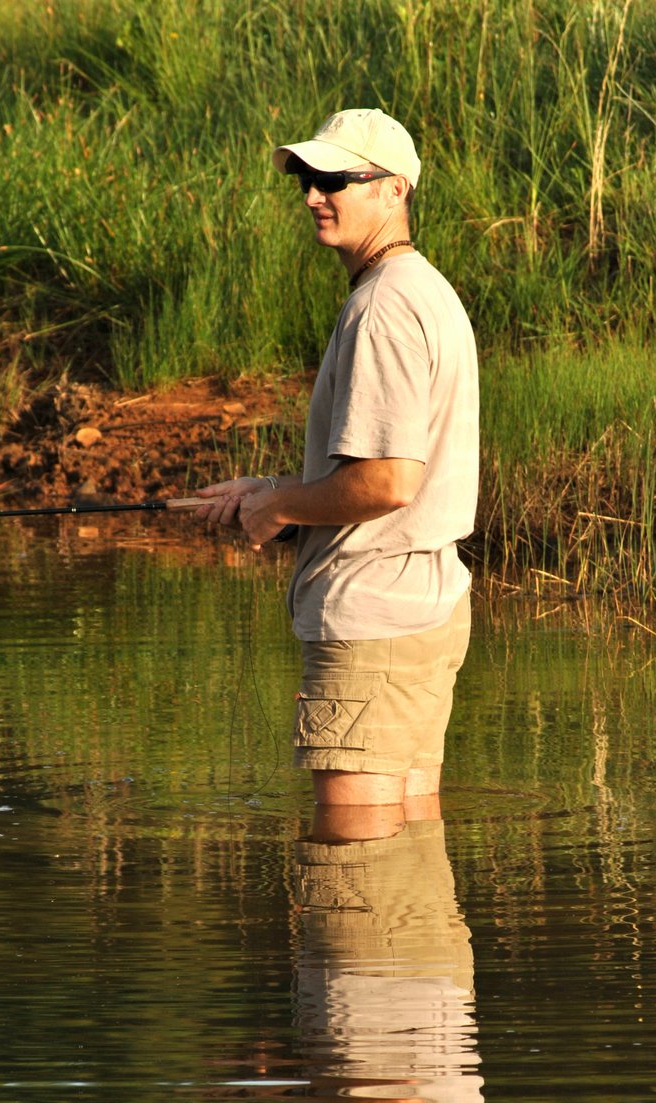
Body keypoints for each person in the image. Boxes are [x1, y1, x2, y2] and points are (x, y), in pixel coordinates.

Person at [193, 108, 479, 813]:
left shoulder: (381, 308)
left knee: (351, 886)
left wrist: (281, 506)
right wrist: (271, 487)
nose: (314, 196)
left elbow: (386, 481)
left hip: (370, 620)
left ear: (394, 190)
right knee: (406, 879)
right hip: (420, 609)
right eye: (308, 181)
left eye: (335, 179)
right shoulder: (424, 291)